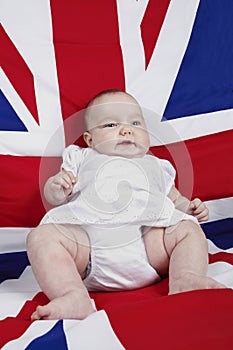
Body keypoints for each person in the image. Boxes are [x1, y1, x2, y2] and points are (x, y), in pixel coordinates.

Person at [27, 89, 225, 321]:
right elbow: (55, 196)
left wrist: (188, 208)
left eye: (135, 123)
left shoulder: (157, 166)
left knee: (187, 228)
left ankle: (185, 278)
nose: (126, 129)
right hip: (89, 252)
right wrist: (57, 187)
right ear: (90, 140)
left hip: (151, 251)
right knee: (41, 237)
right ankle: (73, 295)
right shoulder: (81, 158)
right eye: (111, 125)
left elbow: (174, 200)